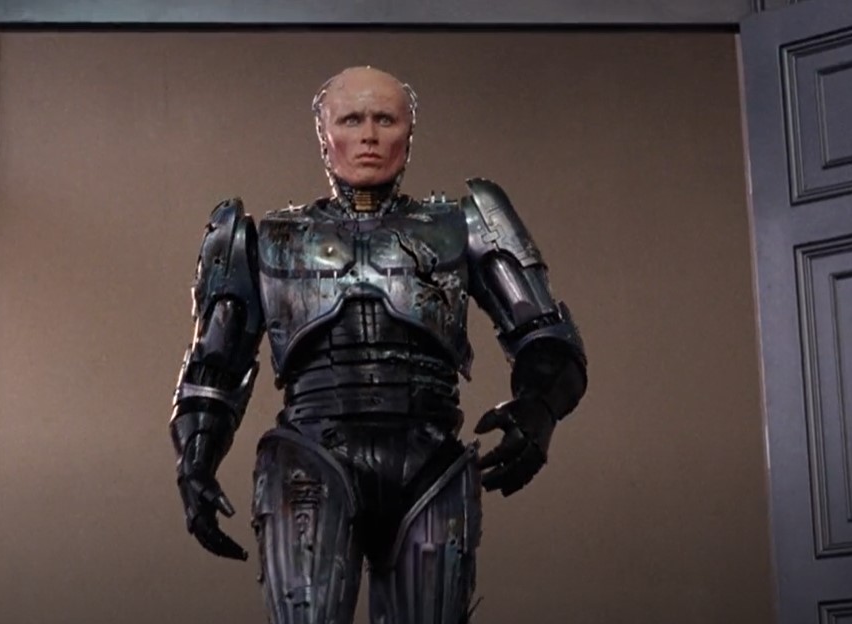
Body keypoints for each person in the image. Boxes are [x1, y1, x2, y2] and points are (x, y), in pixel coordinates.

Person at [169, 66, 587, 623]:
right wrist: (196, 460)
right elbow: (215, 365)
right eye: (351, 119)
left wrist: (537, 409)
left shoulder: (464, 225)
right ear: (324, 133)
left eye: (385, 120)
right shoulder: (265, 239)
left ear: (408, 132)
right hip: (312, 455)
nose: (368, 135)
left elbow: (546, 337)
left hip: (429, 458)